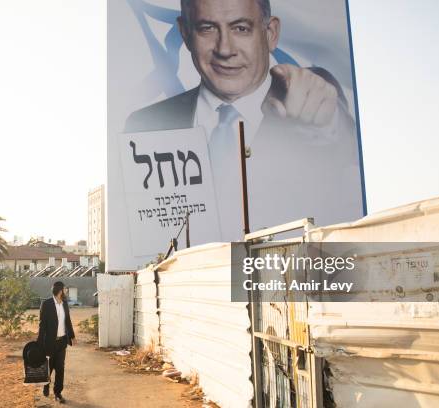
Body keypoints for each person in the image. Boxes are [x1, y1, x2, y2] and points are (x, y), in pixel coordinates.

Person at [124, 0, 363, 241]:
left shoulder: (310, 94)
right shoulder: (145, 124)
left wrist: (326, 121)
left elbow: (343, 142)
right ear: (185, 33)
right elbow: (143, 231)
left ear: (270, 34)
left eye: (241, 28)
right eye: (207, 28)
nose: (225, 49)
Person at [37, 281, 76, 404]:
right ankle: (46, 384)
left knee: (60, 368)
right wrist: (39, 342)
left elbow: (67, 321)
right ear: (60, 291)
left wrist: (73, 336)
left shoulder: (64, 304)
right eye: (65, 289)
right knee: (49, 367)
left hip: (62, 342)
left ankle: (58, 392)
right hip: (49, 342)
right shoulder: (47, 304)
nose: (66, 291)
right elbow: (42, 325)